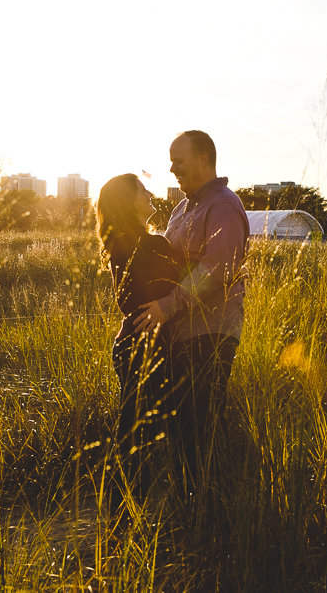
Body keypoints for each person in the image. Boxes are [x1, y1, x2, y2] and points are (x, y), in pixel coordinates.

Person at [134, 130, 249, 497]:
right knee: (182, 427)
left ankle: (212, 510)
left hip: (211, 334)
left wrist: (168, 307)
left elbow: (219, 269)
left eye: (179, 161)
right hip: (179, 335)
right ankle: (189, 504)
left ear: (203, 159)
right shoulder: (183, 208)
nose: (172, 169)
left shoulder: (223, 206)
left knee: (201, 428)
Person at [95, 173, 187, 505]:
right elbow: (188, 281)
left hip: (130, 345)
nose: (149, 193)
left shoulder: (123, 244)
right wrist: (230, 271)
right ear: (127, 202)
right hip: (144, 349)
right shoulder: (150, 245)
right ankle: (125, 514)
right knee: (139, 435)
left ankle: (124, 512)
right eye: (141, 190)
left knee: (135, 431)